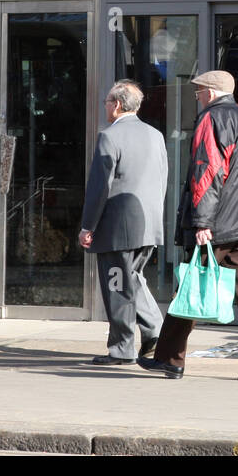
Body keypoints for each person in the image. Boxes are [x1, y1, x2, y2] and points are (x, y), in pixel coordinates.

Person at [139, 70, 238, 381]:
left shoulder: (213, 118)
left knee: (191, 288)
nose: (197, 97)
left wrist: (202, 221)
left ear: (211, 92)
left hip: (220, 224)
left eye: (199, 92)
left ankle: (169, 358)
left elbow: (208, 171)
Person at [78, 80, 168, 365]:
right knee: (133, 279)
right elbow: (162, 180)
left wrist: (87, 226)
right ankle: (155, 332)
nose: (105, 105)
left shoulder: (110, 137)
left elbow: (99, 187)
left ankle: (122, 348)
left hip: (117, 226)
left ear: (116, 105)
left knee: (117, 285)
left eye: (107, 101)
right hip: (148, 223)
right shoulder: (155, 135)